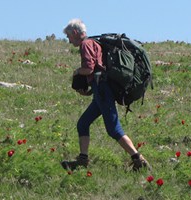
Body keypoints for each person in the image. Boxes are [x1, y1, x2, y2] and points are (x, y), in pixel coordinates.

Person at [61, 18, 149, 171]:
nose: (69, 40)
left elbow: (89, 69)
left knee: (114, 129)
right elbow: (97, 69)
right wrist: (89, 91)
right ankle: (83, 160)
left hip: (102, 90)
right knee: (83, 123)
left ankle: (138, 159)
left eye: (69, 36)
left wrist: (76, 72)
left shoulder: (86, 44)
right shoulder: (95, 43)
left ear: (75, 33)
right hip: (100, 89)